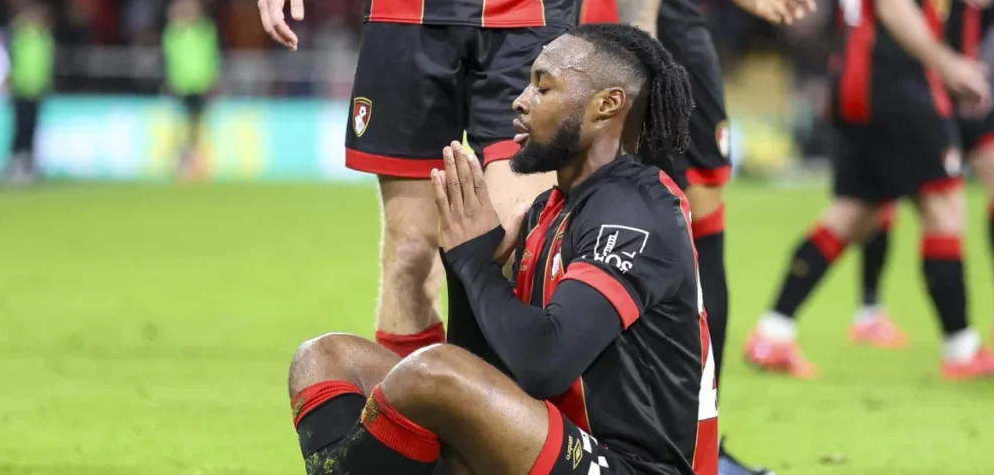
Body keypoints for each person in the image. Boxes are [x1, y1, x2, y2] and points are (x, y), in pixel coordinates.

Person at [286, 24, 718, 475]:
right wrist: (461, 260)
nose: (520, 100)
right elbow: (486, 368)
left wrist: (477, 265)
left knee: (430, 372)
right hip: (550, 446)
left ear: (606, 105)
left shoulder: (633, 212)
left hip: (632, 467)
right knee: (324, 359)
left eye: (543, 86)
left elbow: (545, 364)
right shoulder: (547, 210)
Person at [259, 0, 583, 357]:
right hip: (407, 7)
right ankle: (411, 416)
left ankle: (504, 416)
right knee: (409, 251)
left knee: (517, 242)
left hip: (530, 2)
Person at [579, 0, 816, 472]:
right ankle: (692, 451)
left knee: (608, 235)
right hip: (649, 42)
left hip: (610, 38)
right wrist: (642, 53)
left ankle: (642, 445)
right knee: (684, 239)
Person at [745, 0, 994, 380]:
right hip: (893, 85)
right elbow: (893, 1)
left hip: (856, 79)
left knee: (854, 214)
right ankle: (962, 349)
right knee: (944, 200)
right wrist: (947, 64)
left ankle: (772, 334)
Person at [849, 0, 994, 349]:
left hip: (965, 76)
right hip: (925, 77)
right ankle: (950, 343)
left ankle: (779, 328)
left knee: (867, 204)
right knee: (884, 203)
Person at [163, 0, 221, 180]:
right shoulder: (174, 33)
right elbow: (172, 59)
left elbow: (211, 56)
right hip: (181, 86)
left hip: (201, 85)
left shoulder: (205, 30)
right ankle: (180, 164)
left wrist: (212, 79)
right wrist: (173, 81)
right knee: (180, 127)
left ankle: (195, 164)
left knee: (197, 127)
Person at [3, 3, 55, 185]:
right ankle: (15, 163)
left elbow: (45, 63)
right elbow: (13, 61)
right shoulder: (21, 37)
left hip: (37, 88)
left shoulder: (44, 38)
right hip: (21, 87)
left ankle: (28, 163)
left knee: (31, 126)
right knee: (20, 126)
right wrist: (10, 81)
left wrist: (46, 84)